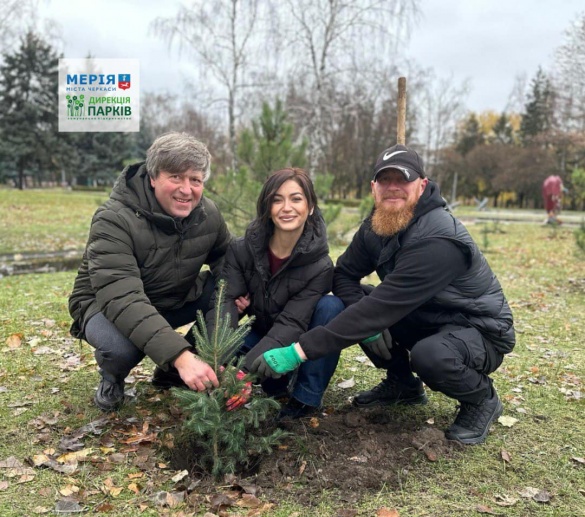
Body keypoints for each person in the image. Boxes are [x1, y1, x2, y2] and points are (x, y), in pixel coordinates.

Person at [251, 145, 516, 444]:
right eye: (384, 180)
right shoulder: (379, 223)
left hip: (478, 330)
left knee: (428, 354)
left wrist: (298, 351)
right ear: (373, 187)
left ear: (422, 185)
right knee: (359, 304)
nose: (393, 188)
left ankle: (482, 399)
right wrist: (371, 328)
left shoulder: (439, 238)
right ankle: (403, 384)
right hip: (424, 316)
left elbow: (380, 308)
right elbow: (345, 274)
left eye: (402, 180)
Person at [68, 132, 232, 411]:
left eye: (195, 179)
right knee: (122, 347)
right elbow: (122, 298)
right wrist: (180, 355)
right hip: (105, 305)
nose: (186, 189)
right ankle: (113, 376)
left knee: (229, 291)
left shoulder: (208, 214)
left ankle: (170, 373)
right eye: (176, 177)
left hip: (173, 296)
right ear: (153, 177)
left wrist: (234, 299)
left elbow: (227, 262)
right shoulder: (114, 218)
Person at [208, 167, 344, 419]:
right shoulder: (241, 248)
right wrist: (220, 356)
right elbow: (225, 299)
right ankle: (260, 380)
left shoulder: (320, 265)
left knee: (331, 307)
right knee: (217, 329)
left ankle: (305, 397)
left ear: (310, 207)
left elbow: (293, 321)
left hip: (292, 346)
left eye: (296, 198)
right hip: (257, 333)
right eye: (277, 199)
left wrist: (244, 372)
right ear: (267, 207)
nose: (286, 207)